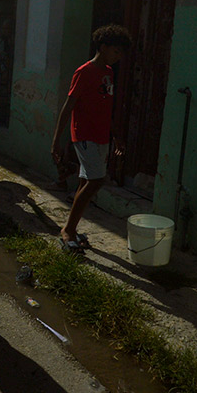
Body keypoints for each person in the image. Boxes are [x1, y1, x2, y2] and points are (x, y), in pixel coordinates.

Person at [50, 24, 133, 253]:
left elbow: (108, 106)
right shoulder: (84, 72)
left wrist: (115, 135)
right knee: (97, 181)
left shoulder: (108, 73)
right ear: (103, 47)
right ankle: (67, 230)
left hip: (101, 135)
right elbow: (68, 107)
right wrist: (57, 139)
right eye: (116, 52)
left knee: (86, 182)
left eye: (120, 54)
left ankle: (73, 229)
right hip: (84, 134)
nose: (118, 57)